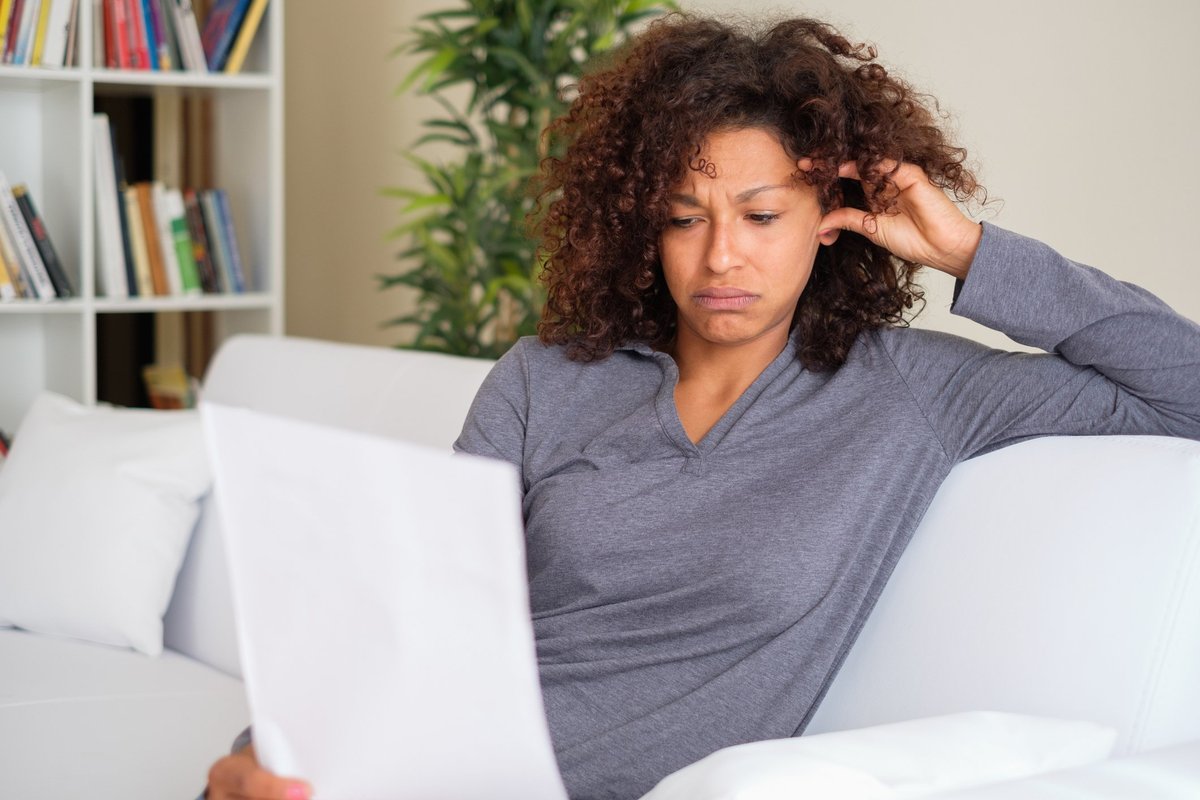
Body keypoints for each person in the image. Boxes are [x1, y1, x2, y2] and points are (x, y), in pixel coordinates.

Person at [204, 13, 1200, 800]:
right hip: (406, 769)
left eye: (762, 215)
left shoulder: (909, 391)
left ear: (830, 218)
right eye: (684, 218)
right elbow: (403, 610)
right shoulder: (545, 377)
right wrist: (266, 751)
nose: (721, 255)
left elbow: (1182, 386)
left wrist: (968, 251)